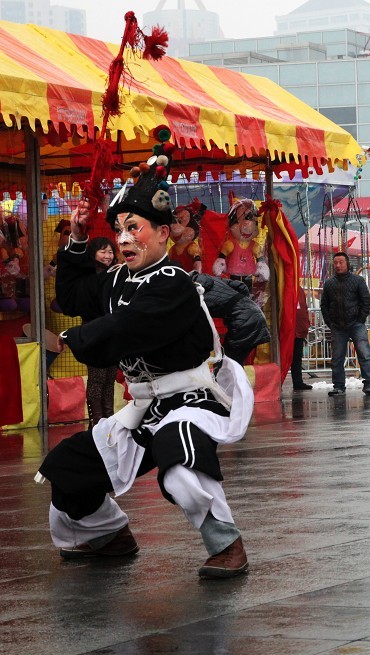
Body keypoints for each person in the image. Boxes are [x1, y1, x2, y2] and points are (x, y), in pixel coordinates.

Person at [35, 129, 252, 578]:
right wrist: (76, 244)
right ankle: (106, 534)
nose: (124, 238)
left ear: (163, 233)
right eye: (119, 230)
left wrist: (73, 341)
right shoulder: (116, 279)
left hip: (192, 401)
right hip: (142, 407)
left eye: (134, 228)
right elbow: (74, 295)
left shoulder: (173, 280)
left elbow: (132, 326)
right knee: (69, 466)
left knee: (179, 463)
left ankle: (227, 546)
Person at [188, 270, 271, 366]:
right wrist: (240, 304)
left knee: (226, 366)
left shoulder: (191, 292)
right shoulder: (211, 278)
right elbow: (241, 285)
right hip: (255, 313)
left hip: (243, 321)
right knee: (234, 364)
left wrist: (236, 310)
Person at [320, 252, 370, 396]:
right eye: (335, 263)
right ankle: (338, 386)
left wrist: (361, 318)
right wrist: (330, 322)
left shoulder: (358, 280)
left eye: (341, 262)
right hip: (337, 326)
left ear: (347, 263)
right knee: (337, 357)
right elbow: (324, 305)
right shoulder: (329, 283)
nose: (338, 265)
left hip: (356, 324)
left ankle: (368, 384)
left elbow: (366, 301)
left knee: (364, 354)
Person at [84, 237, 119, 427]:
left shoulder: (116, 274)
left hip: (112, 330)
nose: (107, 256)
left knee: (109, 377)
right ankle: (96, 421)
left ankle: (109, 418)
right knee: (97, 377)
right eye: (103, 252)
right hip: (94, 330)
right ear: (93, 253)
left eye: (110, 252)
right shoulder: (89, 276)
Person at [292, 297, 313, 391]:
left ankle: (298, 382)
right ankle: (297, 382)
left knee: (297, 358)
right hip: (292, 330)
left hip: (298, 330)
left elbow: (303, 308)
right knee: (294, 358)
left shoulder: (298, 290)